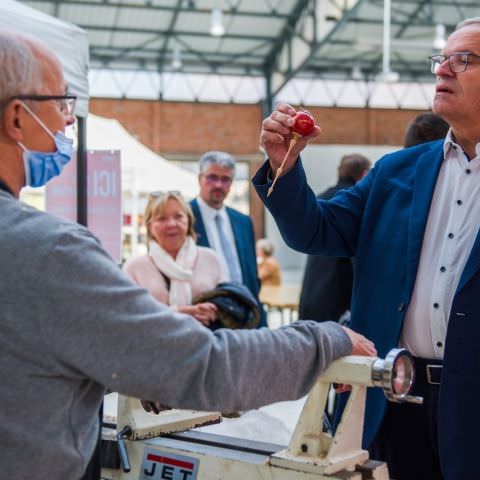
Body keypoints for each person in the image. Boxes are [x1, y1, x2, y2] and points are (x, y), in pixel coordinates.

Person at [0, 32, 377, 480]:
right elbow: (202, 366)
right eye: (60, 103)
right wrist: (323, 340)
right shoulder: (46, 251)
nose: (67, 122)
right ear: (18, 118)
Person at [253, 17, 480, 480]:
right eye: (441, 60)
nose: (442, 71)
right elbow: (315, 232)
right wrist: (284, 167)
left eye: (463, 60)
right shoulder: (397, 170)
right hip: (396, 397)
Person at [123, 191, 224, 327]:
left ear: (188, 220)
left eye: (178, 217)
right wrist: (179, 313)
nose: (171, 224)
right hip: (154, 346)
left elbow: (229, 303)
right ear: (149, 226)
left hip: (207, 345)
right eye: (161, 218)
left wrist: (215, 312)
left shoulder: (210, 259)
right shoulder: (134, 267)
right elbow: (127, 316)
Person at [190, 151, 268, 327]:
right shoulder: (184, 218)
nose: (218, 184)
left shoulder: (243, 221)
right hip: (204, 318)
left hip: (245, 315)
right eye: (212, 177)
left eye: (225, 179)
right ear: (199, 179)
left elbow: (251, 274)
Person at [298, 154, 371, 323]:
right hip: (339, 296)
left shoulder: (321, 196)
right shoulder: (353, 201)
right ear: (364, 174)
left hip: (312, 289)